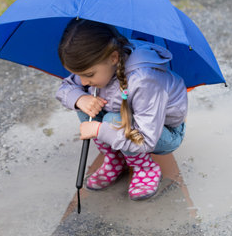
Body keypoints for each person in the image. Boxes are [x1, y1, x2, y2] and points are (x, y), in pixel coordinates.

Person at [55, 19, 188, 200]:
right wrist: (79, 98)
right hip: (128, 121)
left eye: (88, 75)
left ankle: (145, 169)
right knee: (85, 106)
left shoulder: (144, 80)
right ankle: (115, 159)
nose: (83, 81)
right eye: (79, 75)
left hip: (161, 133)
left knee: (112, 120)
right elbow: (66, 88)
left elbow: (146, 140)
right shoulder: (99, 65)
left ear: (114, 58)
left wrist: (99, 130)